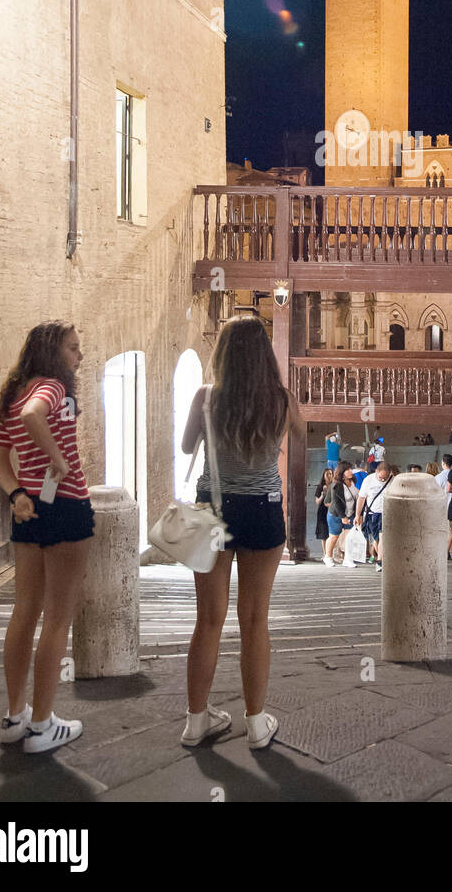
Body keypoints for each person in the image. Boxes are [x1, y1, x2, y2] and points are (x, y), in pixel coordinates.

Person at [181, 315, 299, 750]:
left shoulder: (206, 397)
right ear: (265, 356)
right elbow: (276, 441)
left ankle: (196, 722)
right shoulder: (282, 400)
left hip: (212, 511)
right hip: (263, 511)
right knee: (254, 620)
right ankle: (255, 723)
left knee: (208, 620)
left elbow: (186, 447)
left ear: (223, 354)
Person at [0, 321, 93, 754]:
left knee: (24, 612)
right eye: (72, 348)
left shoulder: (14, 394)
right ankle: (44, 725)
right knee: (57, 619)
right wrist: (57, 459)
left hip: (29, 508)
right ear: (52, 353)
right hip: (66, 508)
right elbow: (36, 416)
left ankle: (16, 716)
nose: (78, 357)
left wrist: (16, 493)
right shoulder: (51, 388)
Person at [355, 460, 392, 573]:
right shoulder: (368, 480)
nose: (382, 480)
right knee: (375, 539)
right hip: (372, 513)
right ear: (376, 471)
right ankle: (381, 558)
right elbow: (361, 498)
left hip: (386, 513)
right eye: (380, 478)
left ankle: (380, 561)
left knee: (383, 537)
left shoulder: (393, 480)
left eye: (385, 478)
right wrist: (358, 515)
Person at [322, 464, 358, 566]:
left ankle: (348, 559)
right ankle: (328, 557)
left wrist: (357, 514)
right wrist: (343, 516)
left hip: (350, 513)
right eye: (348, 470)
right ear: (342, 473)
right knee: (334, 536)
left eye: (350, 469)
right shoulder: (336, 485)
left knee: (350, 537)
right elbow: (336, 502)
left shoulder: (353, 482)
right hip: (336, 515)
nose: (351, 471)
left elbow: (357, 497)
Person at [314, 468, 333, 546]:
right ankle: (325, 553)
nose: (329, 476)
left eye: (330, 474)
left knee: (332, 533)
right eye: (327, 474)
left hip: (332, 511)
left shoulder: (334, 486)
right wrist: (322, 495)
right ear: (324, 476)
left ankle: (330, 553)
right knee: (323, 533)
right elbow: (317, 502)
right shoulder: (320, 486)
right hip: (322, 511)